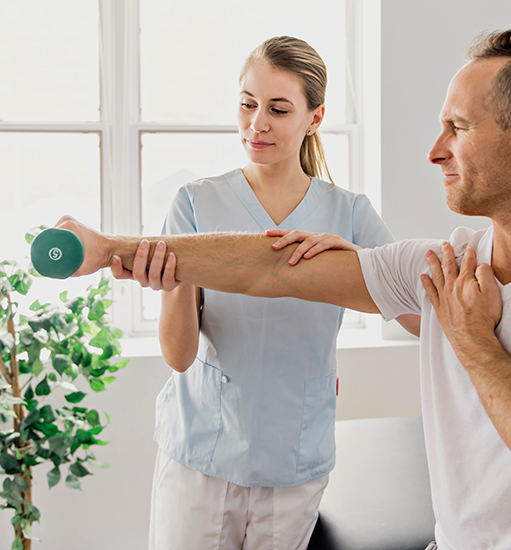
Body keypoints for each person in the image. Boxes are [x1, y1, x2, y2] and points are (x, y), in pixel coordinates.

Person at [56, 29, 511, 550]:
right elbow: (273, 268)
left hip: (293, 466)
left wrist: (472, 340)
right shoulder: (445, 264)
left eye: (458, 127)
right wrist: (108, 249)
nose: (434, 151)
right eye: (248, 103)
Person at [109, 35, 418, 550]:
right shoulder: (195, 203)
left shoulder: (350, 214)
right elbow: (179, 356)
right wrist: (178, 282)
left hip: (293, 461)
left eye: (278, 109)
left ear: (314, 118)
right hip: (200, 457)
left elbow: (418, 318)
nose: (257, 124)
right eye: (248, 104)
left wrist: (359, 262)